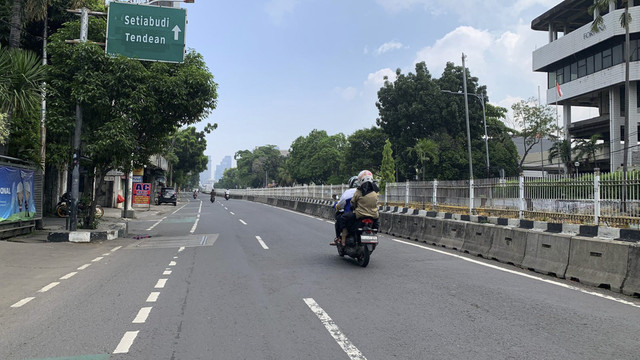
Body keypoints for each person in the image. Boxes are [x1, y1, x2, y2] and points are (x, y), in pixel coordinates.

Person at [337, 170, 380, 247]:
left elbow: (352, 202)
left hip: (359, 214)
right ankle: (374, 233)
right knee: (376, 223)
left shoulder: (359, 191)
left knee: (343, 218)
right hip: (374, 215)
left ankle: (343, 236)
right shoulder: (376, 191)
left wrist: (353, 206)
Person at [330, 176, 359, 245]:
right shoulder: (365, 192)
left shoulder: (348, 192)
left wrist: (335, 206)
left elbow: (340, 205)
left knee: (340, 219)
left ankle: (339, 238)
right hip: (364, 215)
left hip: (350, 215)